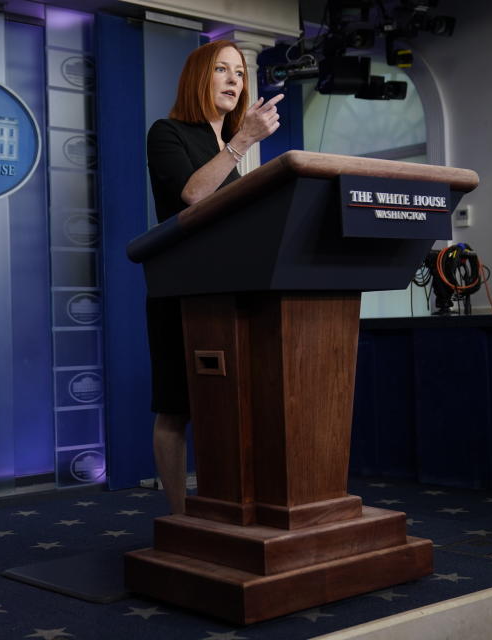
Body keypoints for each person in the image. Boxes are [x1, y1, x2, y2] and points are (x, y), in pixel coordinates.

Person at [146, 40, 284, 514]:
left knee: (234, 404)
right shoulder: (168, 132)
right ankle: (180, 516)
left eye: (241, 73)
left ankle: (234, 506)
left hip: (233, 288)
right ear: (197, 78)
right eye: (222, 70)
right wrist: (242, 142)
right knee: (176, 406)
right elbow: (193, 195)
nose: (234, 80)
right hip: (181, 288)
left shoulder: (227, 144)